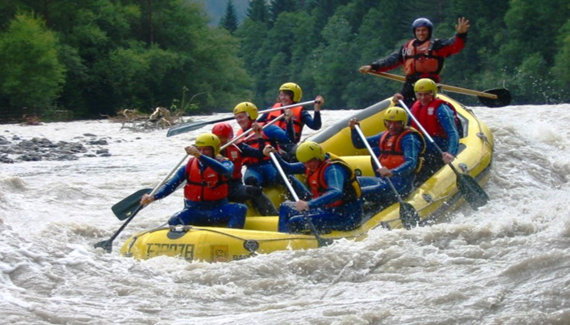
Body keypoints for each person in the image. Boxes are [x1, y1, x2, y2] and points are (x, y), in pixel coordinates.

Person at [140, 133, 247, 228]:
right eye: (199, 149)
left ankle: (229, 239)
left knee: (240, 209)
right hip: (194, 211)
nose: (202, 152)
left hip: (218, 209)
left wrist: (199, 156)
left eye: (206, 149)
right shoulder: (188, 167)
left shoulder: (225, 163)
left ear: (215, 150)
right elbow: (170, 185)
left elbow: (226, 172)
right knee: (175, 219)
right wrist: (153, 197)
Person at [359, 17, 470, 106]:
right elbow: (391, 61)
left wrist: (461, 35)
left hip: (429, 83)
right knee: (400, 105)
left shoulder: (436, 45)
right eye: (418, 30)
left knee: (423, 106)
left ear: (429, 31)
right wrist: (372, 66)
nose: (421, 33)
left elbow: (454, 46)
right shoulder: (407, 48)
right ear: (414, 32)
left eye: (424, 30)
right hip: (410, 83)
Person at [264, 141, 363, 234]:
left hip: (346, 215)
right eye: (304, 163)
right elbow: (287, 168)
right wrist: (273, 155)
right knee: (285, 206)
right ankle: (284, 238)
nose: (307, 165)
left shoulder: (333, 169)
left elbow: (336, 192)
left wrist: (309, 204)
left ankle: (292, 243)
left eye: (310, 162)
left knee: (295, 221)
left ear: (318, 157)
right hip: (326, 209)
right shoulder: (311, 163)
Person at [349, 107, 425, 206]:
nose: (392, 126)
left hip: (400, 185)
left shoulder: (409, 139)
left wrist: (392, 172)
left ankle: (356, 214)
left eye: (397, 123)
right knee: (350, 184)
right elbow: (359, 143)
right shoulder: (386, 135)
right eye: (389, 122)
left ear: (403, 123)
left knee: (355, 193)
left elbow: (411, 163)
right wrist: (354, 129)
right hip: (383, 181)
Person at [393, 78, 460, 178]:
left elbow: (453, 133)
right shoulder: (416, 106)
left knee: (421, 153)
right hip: (422, 142)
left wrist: (451, 153)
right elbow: (404, 120)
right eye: (420, 94)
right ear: (416, 94)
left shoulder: (442, 109)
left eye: (427, 94)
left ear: (433, 93)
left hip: (438, 144)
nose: (423, 98)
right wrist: (398, 104)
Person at [211, 122, 278, 216]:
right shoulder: (209, 151)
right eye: (217, 137)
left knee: (255, 191)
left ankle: (272, 215)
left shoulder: (238, 147)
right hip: (216, 189)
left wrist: (259, 137)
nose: (220, 141)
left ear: (230, 137)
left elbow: (259, 154)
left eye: (223, 137)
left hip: (234, 187)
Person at [233, 101, 294, 187]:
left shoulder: (267, 128)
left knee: (281, 177)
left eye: (241, 117)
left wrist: (288, 121)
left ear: (251, 115)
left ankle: (303, 196)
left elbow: (289, 139)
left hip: (270, 163)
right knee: (251, 181)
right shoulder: (239, 136)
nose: (239, 121)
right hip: (253, 167)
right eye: (237, 118)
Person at [257, 82, 324, 144]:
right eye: (281, 95)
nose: (283, 98)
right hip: (271, 144)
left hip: (288, 146)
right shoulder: (272, 110)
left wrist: (317, 109)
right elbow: (256, 124)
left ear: (294, 96)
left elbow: (316, 126)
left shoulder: (301, 112)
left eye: (286, 95)